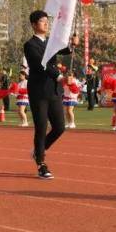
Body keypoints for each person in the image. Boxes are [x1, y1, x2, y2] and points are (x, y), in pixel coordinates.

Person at [23, 10, 77, 179]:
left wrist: (72, 44)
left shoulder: (50, 42)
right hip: (39, 92)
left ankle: (39, 151)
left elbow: (63, 50)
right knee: (41, 127)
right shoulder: (30, 45)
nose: (46, 24)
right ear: (34, 24)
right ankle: (41, 163)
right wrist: (60, 77)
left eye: (47, 21)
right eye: (42, 21)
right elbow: (41, 65)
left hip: (53, 91)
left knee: (60, 127)